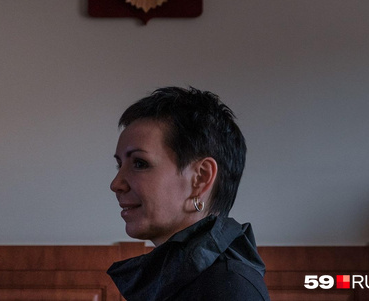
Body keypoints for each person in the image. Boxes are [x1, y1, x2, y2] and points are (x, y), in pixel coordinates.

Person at [107, 87, 270, 300]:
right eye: (119, 165)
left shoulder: (228, 289)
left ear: (200, 179)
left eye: (140, 163)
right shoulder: (187, 279)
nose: (116, 184)